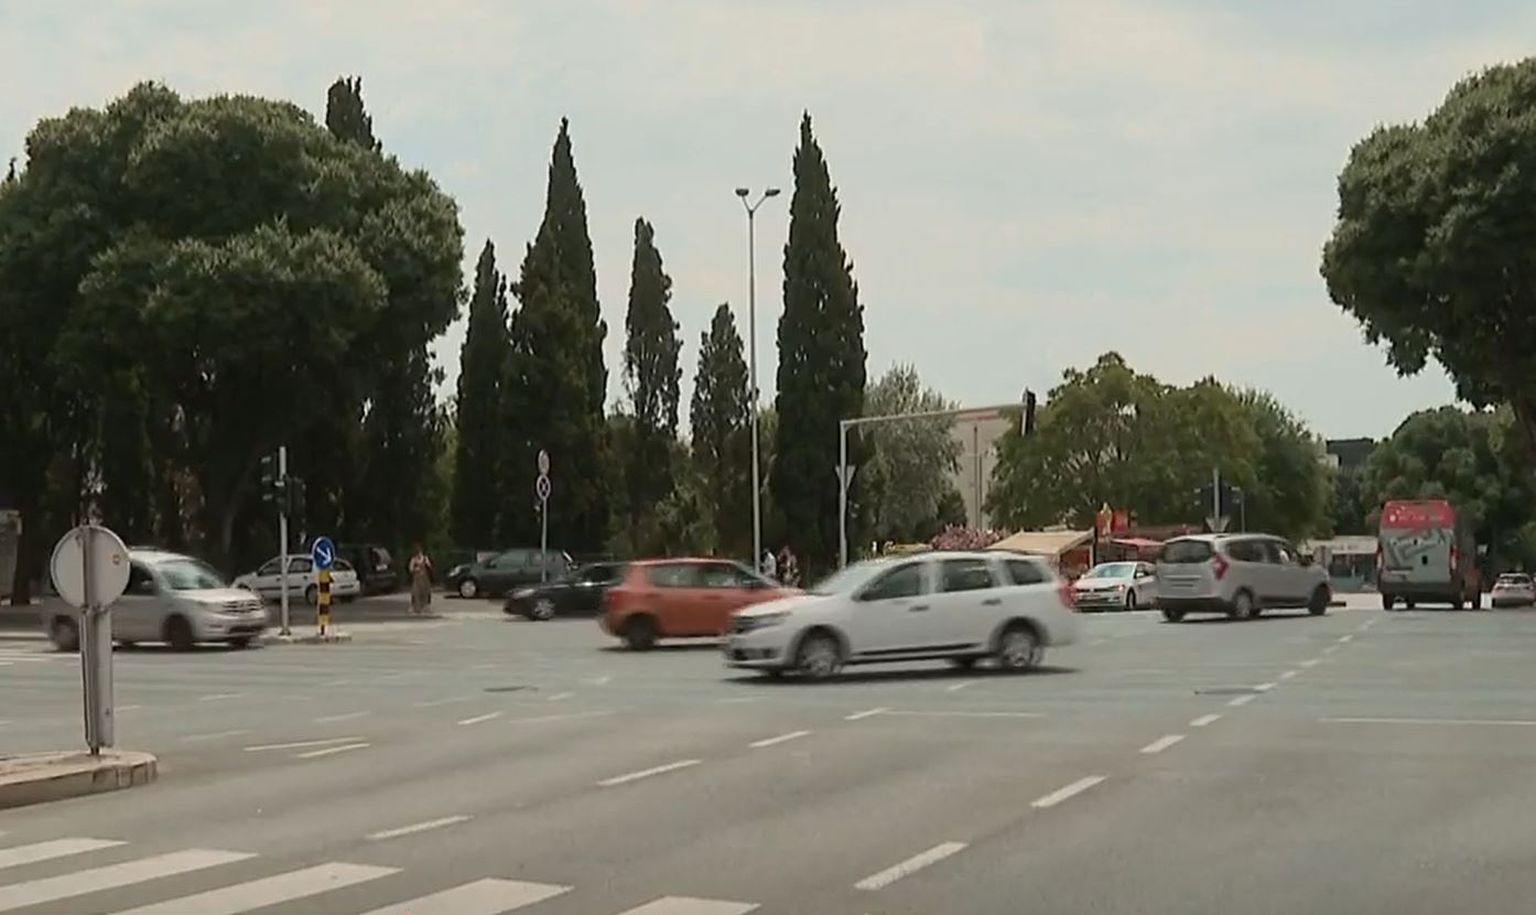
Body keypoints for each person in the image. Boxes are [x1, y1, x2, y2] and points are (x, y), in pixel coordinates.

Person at [408, 545, 433, 615]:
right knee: (416, 592)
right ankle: (415, 608)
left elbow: (429, 566)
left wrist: (428, 564)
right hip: (417, 578)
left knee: (425, 592)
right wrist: (415, 569)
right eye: (418, 553)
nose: (419, 554)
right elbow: (410, 569)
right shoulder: (413, 559)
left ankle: (425, 607)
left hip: (424, 578)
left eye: (420, 552)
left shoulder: (425, 558)